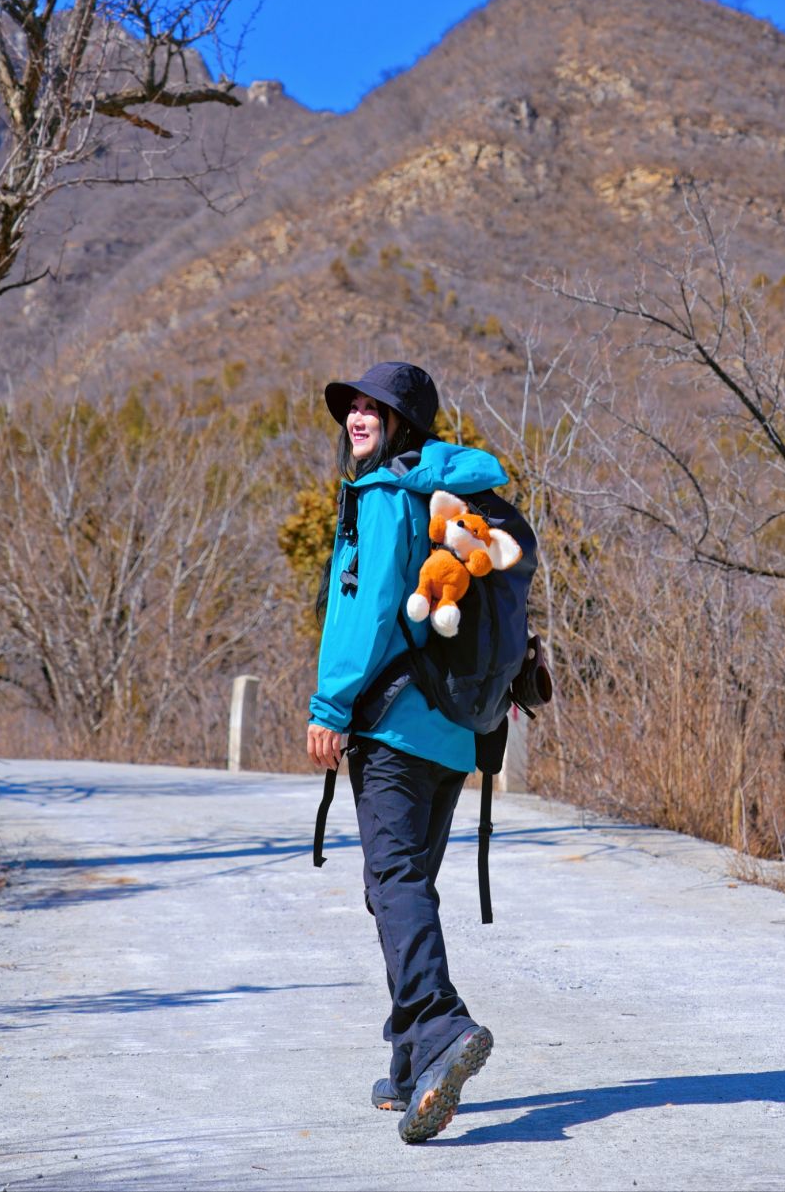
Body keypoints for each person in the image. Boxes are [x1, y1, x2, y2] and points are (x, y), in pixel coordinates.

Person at [307, 361, 504, 1144]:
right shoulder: (451, 494)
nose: (357, 416)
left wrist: (330, 707)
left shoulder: (385, 494)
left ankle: (441, 1025)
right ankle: (409, 1062)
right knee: (404, 886)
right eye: (352, 405)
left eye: (373, 407)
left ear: (402, 424)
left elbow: (368, 611)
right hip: (452, 731)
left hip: (390, 723)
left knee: (392, 882)